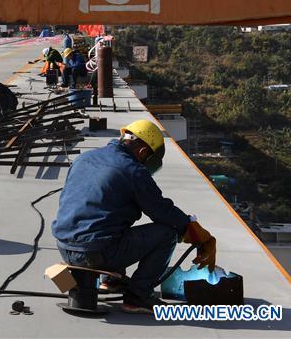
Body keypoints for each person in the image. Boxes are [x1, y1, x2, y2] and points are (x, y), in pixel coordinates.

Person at [51, 120, 217, 314]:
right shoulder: (133, 170)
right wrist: (196, 231)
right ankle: (138, 296)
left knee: (108, 222)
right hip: (96, 253)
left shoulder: (84, 158)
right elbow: (162, 211)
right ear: (142, 153)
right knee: (166, 234)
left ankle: (112, 281)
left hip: (64, 247)